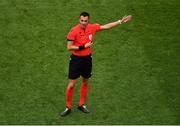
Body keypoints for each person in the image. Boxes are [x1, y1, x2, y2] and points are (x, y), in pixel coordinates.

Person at [60, 12, 132, 117]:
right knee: (71, 85)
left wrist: (120, 21)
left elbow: (106, 26)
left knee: (85, 82)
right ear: (79, 20)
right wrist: (83, 46)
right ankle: (68, 107)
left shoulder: (92, 27)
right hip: (76, 60)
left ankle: (81, 104)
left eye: (85, 21)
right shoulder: (73, 31)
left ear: (88, 20)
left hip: (87, 59)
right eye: (82, 20)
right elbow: (69, 47)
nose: (83, 23)